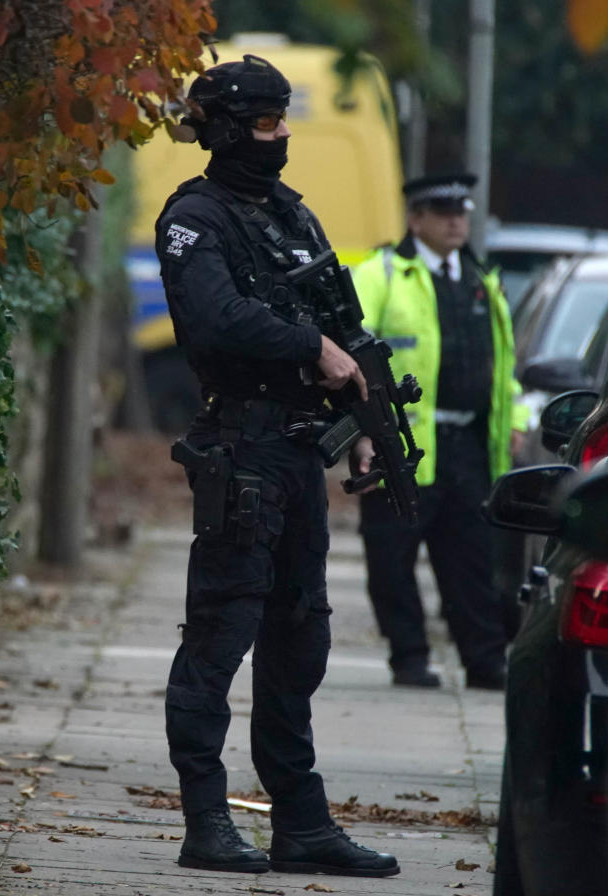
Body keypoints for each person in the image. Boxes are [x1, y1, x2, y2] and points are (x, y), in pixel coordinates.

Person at [155, 54, 399, 878]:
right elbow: (218, 319)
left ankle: (301, 822)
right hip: (242, 452)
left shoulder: (294, 216)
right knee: (221, 636)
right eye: (267, 124)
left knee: (301, 642)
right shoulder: (195, 218)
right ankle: (206, 820)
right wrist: (312, 348)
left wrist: (361, 425)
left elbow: (346, 327)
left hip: (298, 456)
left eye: (283, 121)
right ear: (225, 130)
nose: (283, 136)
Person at [351, 172, 527, 690]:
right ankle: (409, 656)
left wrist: (514, 423)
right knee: (391, 556)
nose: (456, 222)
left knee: (473, 559)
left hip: (469, 444)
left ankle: (485, 660)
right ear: (417, 219)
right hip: (398, 444)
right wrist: (363, 431)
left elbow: (505, 367)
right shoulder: (383, 274)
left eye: (462, 212)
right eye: (443, 212)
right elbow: (350, 353)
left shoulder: (481, 280)